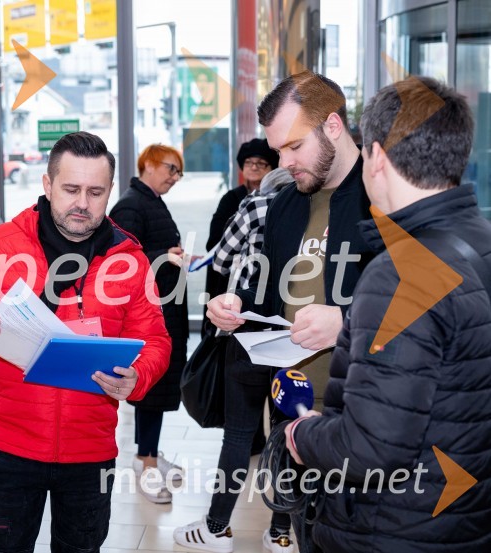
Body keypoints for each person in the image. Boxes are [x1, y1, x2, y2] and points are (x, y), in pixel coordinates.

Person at [0, 131, 171, 553]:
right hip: (11, 446)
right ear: (47, 184)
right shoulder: (2, 245)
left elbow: (156, 340)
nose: (83, 203)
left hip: (90, 450)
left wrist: (138, 377)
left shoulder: (129, 260)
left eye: (96, 192)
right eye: (71, 189)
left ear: (110, 191)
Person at [285, 78, 491, 552]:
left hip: (391, 529)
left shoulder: (400, 275)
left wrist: (303, 434)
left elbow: (371, 451)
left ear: (376, 156)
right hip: (462, 521)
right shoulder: (480, 243)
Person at [175, 71, 372, 553]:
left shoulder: (382, 197)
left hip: (365, 416)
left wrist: (345, 321)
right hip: (294, 409)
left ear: (332, 126)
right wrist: (235, 303)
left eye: (292, 147)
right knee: (307, 535)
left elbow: (427, 303)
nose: (282, 163)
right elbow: (266, 288)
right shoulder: (286, 204)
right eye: (276, 149)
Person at [109, 144, 189, 504]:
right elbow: (119, 262)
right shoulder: (130, 204)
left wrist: (170, 257)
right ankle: (148, 465)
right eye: (171, 169)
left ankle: (147, 454)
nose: (175, 177)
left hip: (164, 307)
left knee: (156, 389)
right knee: (151, 389)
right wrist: (164, 257)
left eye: (179, 172)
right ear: (149, 164)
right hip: (148, 314)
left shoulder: (150, 200)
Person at [203, 138, 279, 305]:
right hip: (229, 275)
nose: (253, 167)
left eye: (261, 163)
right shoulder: (231, 198)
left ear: (272, 168)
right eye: (248, 162)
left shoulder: (281, 200)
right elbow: (214, 239)